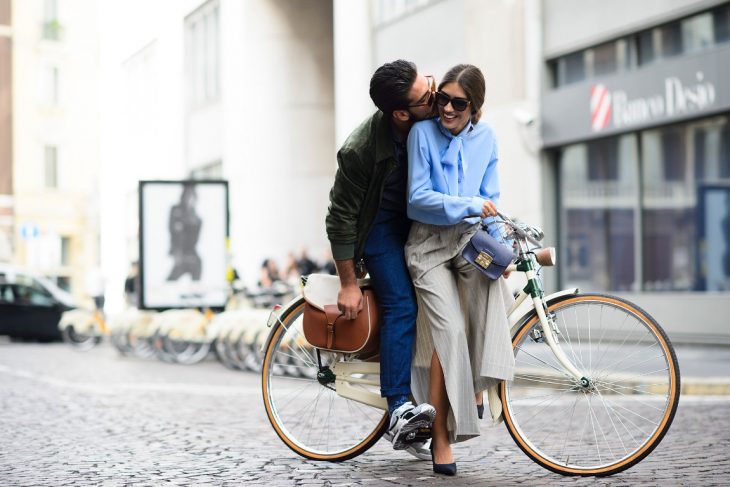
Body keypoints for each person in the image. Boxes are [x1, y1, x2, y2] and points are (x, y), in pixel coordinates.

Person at [404, 64, 515, 475]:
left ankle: (473, 386)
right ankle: (442, 437)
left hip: (469, 244)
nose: (447, 108)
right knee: (448, 330)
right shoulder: (422, 134)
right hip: (428, 246)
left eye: (458, 103)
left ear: (475, 106)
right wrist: (469, 205)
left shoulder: (487, 138)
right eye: (442, 99)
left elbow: (491, 200)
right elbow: (417, 199)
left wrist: (501, 247)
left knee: (491, 298)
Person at [325, 60, 438, 453]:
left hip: (423, 222)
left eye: (432, 84)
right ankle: (399, 407)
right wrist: (348, 283)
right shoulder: (359, 150)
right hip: (380, 229)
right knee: (402, 307)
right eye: (428, 96)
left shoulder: (437, 119)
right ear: (401, 113)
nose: (437, 97)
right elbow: (340, 217)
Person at [167, 183, 202, 281]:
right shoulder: (175, 211)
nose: (189, 199)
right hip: (178, 253)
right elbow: (173, 231)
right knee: (170, 282)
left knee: (197, 267)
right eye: (187, 195)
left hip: (191, 254)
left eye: (192, 196)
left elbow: (194, 240)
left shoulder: (197, 220)